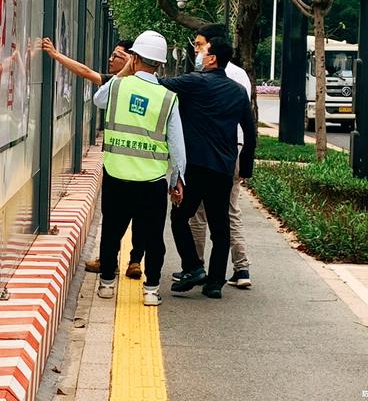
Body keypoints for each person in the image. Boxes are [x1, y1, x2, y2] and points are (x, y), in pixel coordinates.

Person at [158, 36, 256, 299]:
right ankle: (214, 283)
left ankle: (192, 267)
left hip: (196, 166)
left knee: (179, 218)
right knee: (220, 227)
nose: (198, 53)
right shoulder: (238, 92)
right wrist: (245, 168)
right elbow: (250, 132)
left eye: (203, 50)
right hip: (223, 168)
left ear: (212, 59)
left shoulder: (195, 81)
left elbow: (158, 83)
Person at [93, 30, 186, 306]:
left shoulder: (118, 87)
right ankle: (150, 290)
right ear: (160, 64)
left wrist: (122, 73)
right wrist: (177, 179)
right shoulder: (168, 98)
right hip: (152, 180)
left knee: (111, 231)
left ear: (133, 58)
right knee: (154, 236)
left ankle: (107, 284)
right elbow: (177, 144)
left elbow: (98, 99)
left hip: (116, 175)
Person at [43, 38, 146, 279]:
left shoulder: (138, 86)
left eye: (117, 56)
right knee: (120, 216)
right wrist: (56, 56)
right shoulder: (115, 83)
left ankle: (132, 261)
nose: (111, 60)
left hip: (133, 162)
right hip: (125, 160)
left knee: (126, 215)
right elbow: (86, 72)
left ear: (132, 59)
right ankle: (114, 260)